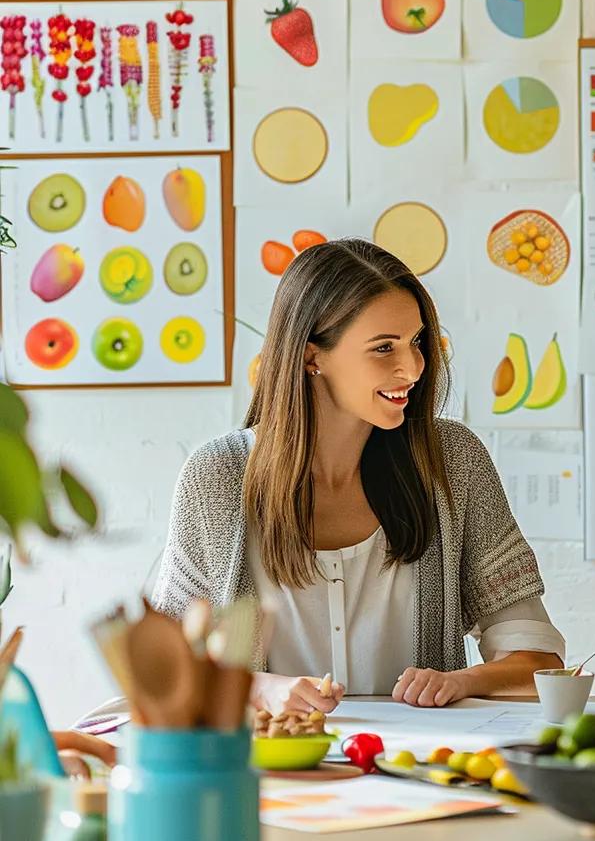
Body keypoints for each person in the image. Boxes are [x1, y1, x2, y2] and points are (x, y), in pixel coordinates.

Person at [154, 239, 565, 714]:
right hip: (270, 768)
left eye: (416, 342)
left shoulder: (453, 463)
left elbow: (539, 665)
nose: (411, 368)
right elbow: (168, 668)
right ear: (313, 357)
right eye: (383, 347)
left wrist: (461, 681)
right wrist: (261, 688)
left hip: (419, 772)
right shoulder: (217, 479)